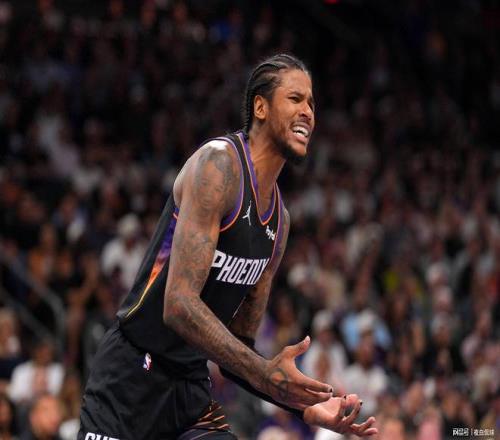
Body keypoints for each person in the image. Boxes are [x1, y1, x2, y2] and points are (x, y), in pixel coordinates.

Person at [79, 54, 378, 439]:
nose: (308, 111)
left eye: (312, 103)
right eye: (295, 98)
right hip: (129, 379)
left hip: (189, 391)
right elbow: (178, 305)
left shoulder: (279, 223)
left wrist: (302, 404)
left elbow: (238, 349)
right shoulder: (218, 167)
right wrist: (266, 375)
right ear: (260, 107)